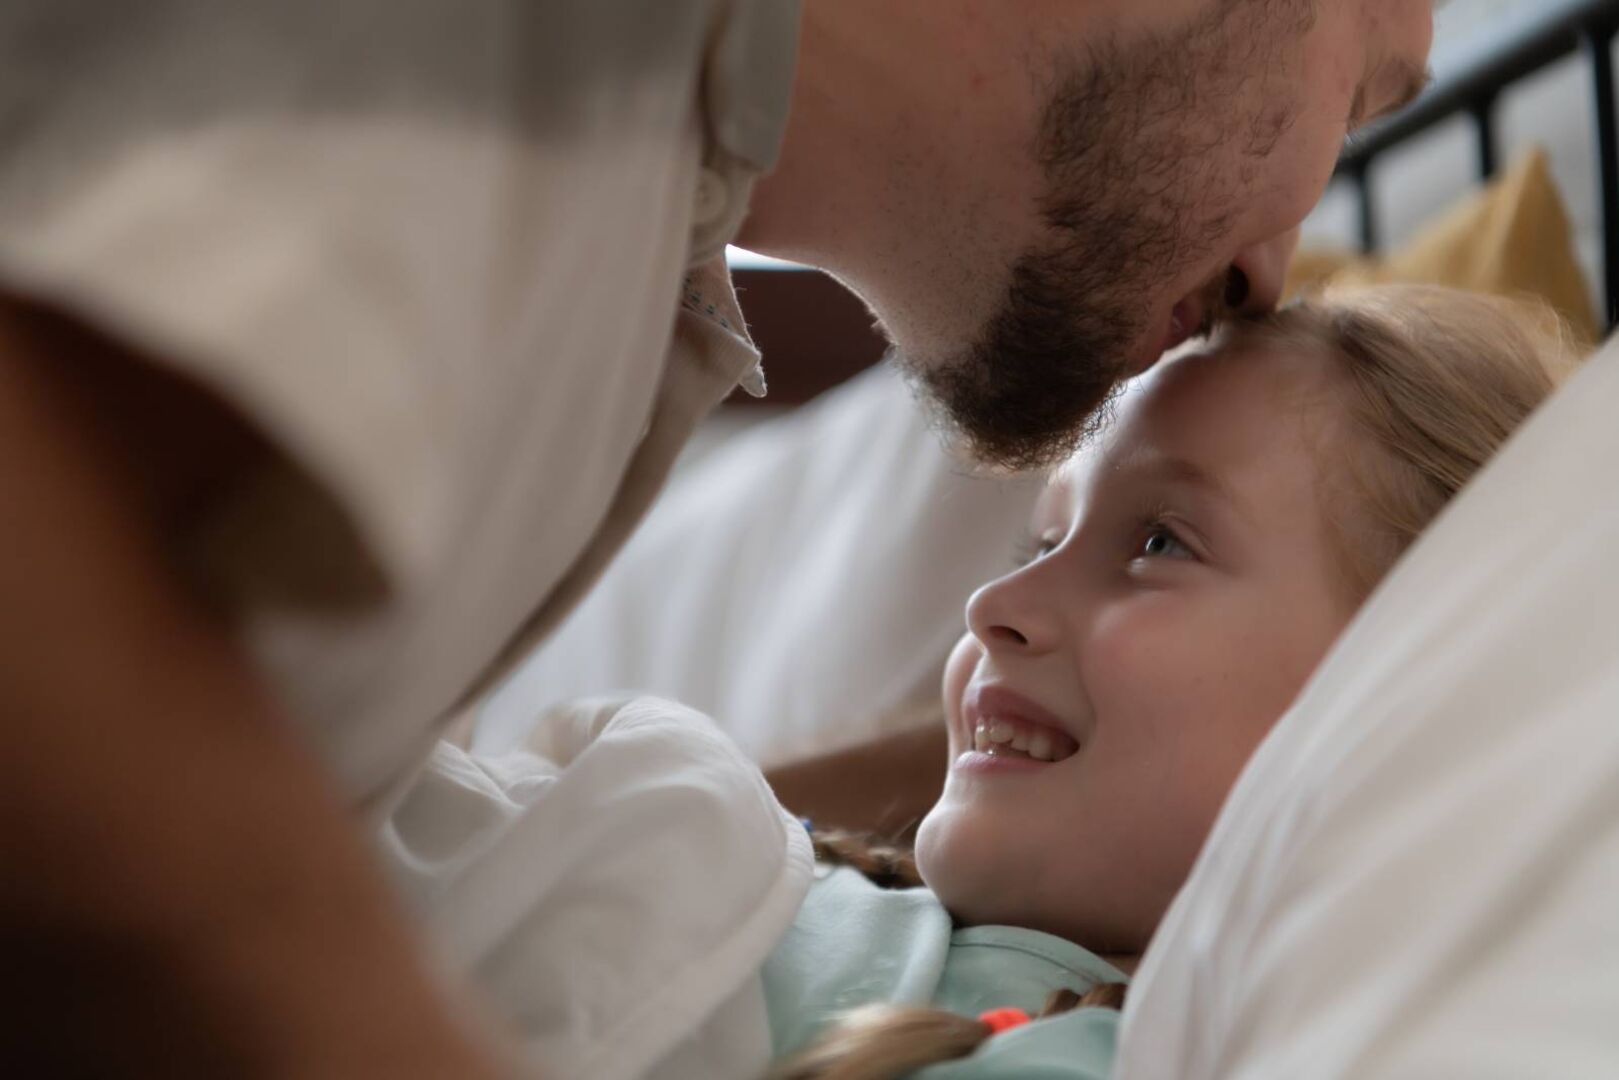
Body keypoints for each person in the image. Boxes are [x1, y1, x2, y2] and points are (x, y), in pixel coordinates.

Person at [0, 1, 1434, 1072]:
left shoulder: (634, 230)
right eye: (1362, 99)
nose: (1273, 266)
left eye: (1159, 545)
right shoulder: (562, 57)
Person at [759, 284, 1581, 1079]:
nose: (992, 605)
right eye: (1041, 545)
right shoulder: (776, 869)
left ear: (1390, 702)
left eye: (1158, 544)